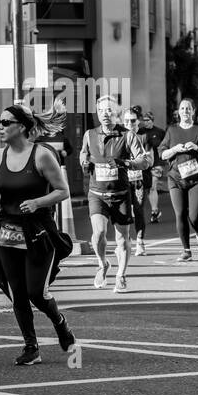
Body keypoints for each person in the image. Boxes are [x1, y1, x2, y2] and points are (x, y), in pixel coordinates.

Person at [0, 104, 76, 365]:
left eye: (5, 122)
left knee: (36, 291)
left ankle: (60, 322)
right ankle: (31, 346)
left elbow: (62, 191)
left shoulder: (42, 155)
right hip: (7, 232)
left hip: (37, 231)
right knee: (17, 293)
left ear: (21, 126)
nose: (0, 126)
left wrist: (37, 202)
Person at [80, 96, 151, 293]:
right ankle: (103, 264)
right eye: (102, 110)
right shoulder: (89, 134)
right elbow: (83, 154)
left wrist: (124, 163)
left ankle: (121, 275)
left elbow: (144, 162)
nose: (105, 114)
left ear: (117, 114)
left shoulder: (127, 136)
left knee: (122, 238)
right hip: (97, 193)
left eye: (110, 111)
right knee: (99, 233)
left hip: (120, 194)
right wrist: (84, 162)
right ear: (97, 113)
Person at [159, 99, 198, 262]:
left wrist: (196, 148)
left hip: (196, 179)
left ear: (193, 111)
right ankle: (186, 250)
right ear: (178, 111)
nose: (185, 111)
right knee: (180, 214)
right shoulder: (172, 130)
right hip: (175, 178)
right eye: (182, 108)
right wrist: (175, 149)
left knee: (194, 216)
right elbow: (162, 153)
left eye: (188, 108)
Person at [123, 107, 149, 256]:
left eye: (132, 120)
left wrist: (146, 158)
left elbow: (150, 159)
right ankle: (126, 240)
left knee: (138, 210)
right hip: (123, 180)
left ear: (138, 121)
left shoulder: (144, 137)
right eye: (126, 120)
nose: (129, 123)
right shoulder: (120, 135)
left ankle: (140, 241)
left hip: (138, 180)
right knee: (124, 211)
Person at [140, 111, 165, 221]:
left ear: (152, 120)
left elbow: (165, 146)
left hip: (156, 163)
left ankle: (154, 211)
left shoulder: (159, 132)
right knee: (143, 188)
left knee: (153, 186)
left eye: (148, 120)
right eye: (144, 120)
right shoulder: (140, 132)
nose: (145, 122)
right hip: (143, 164)